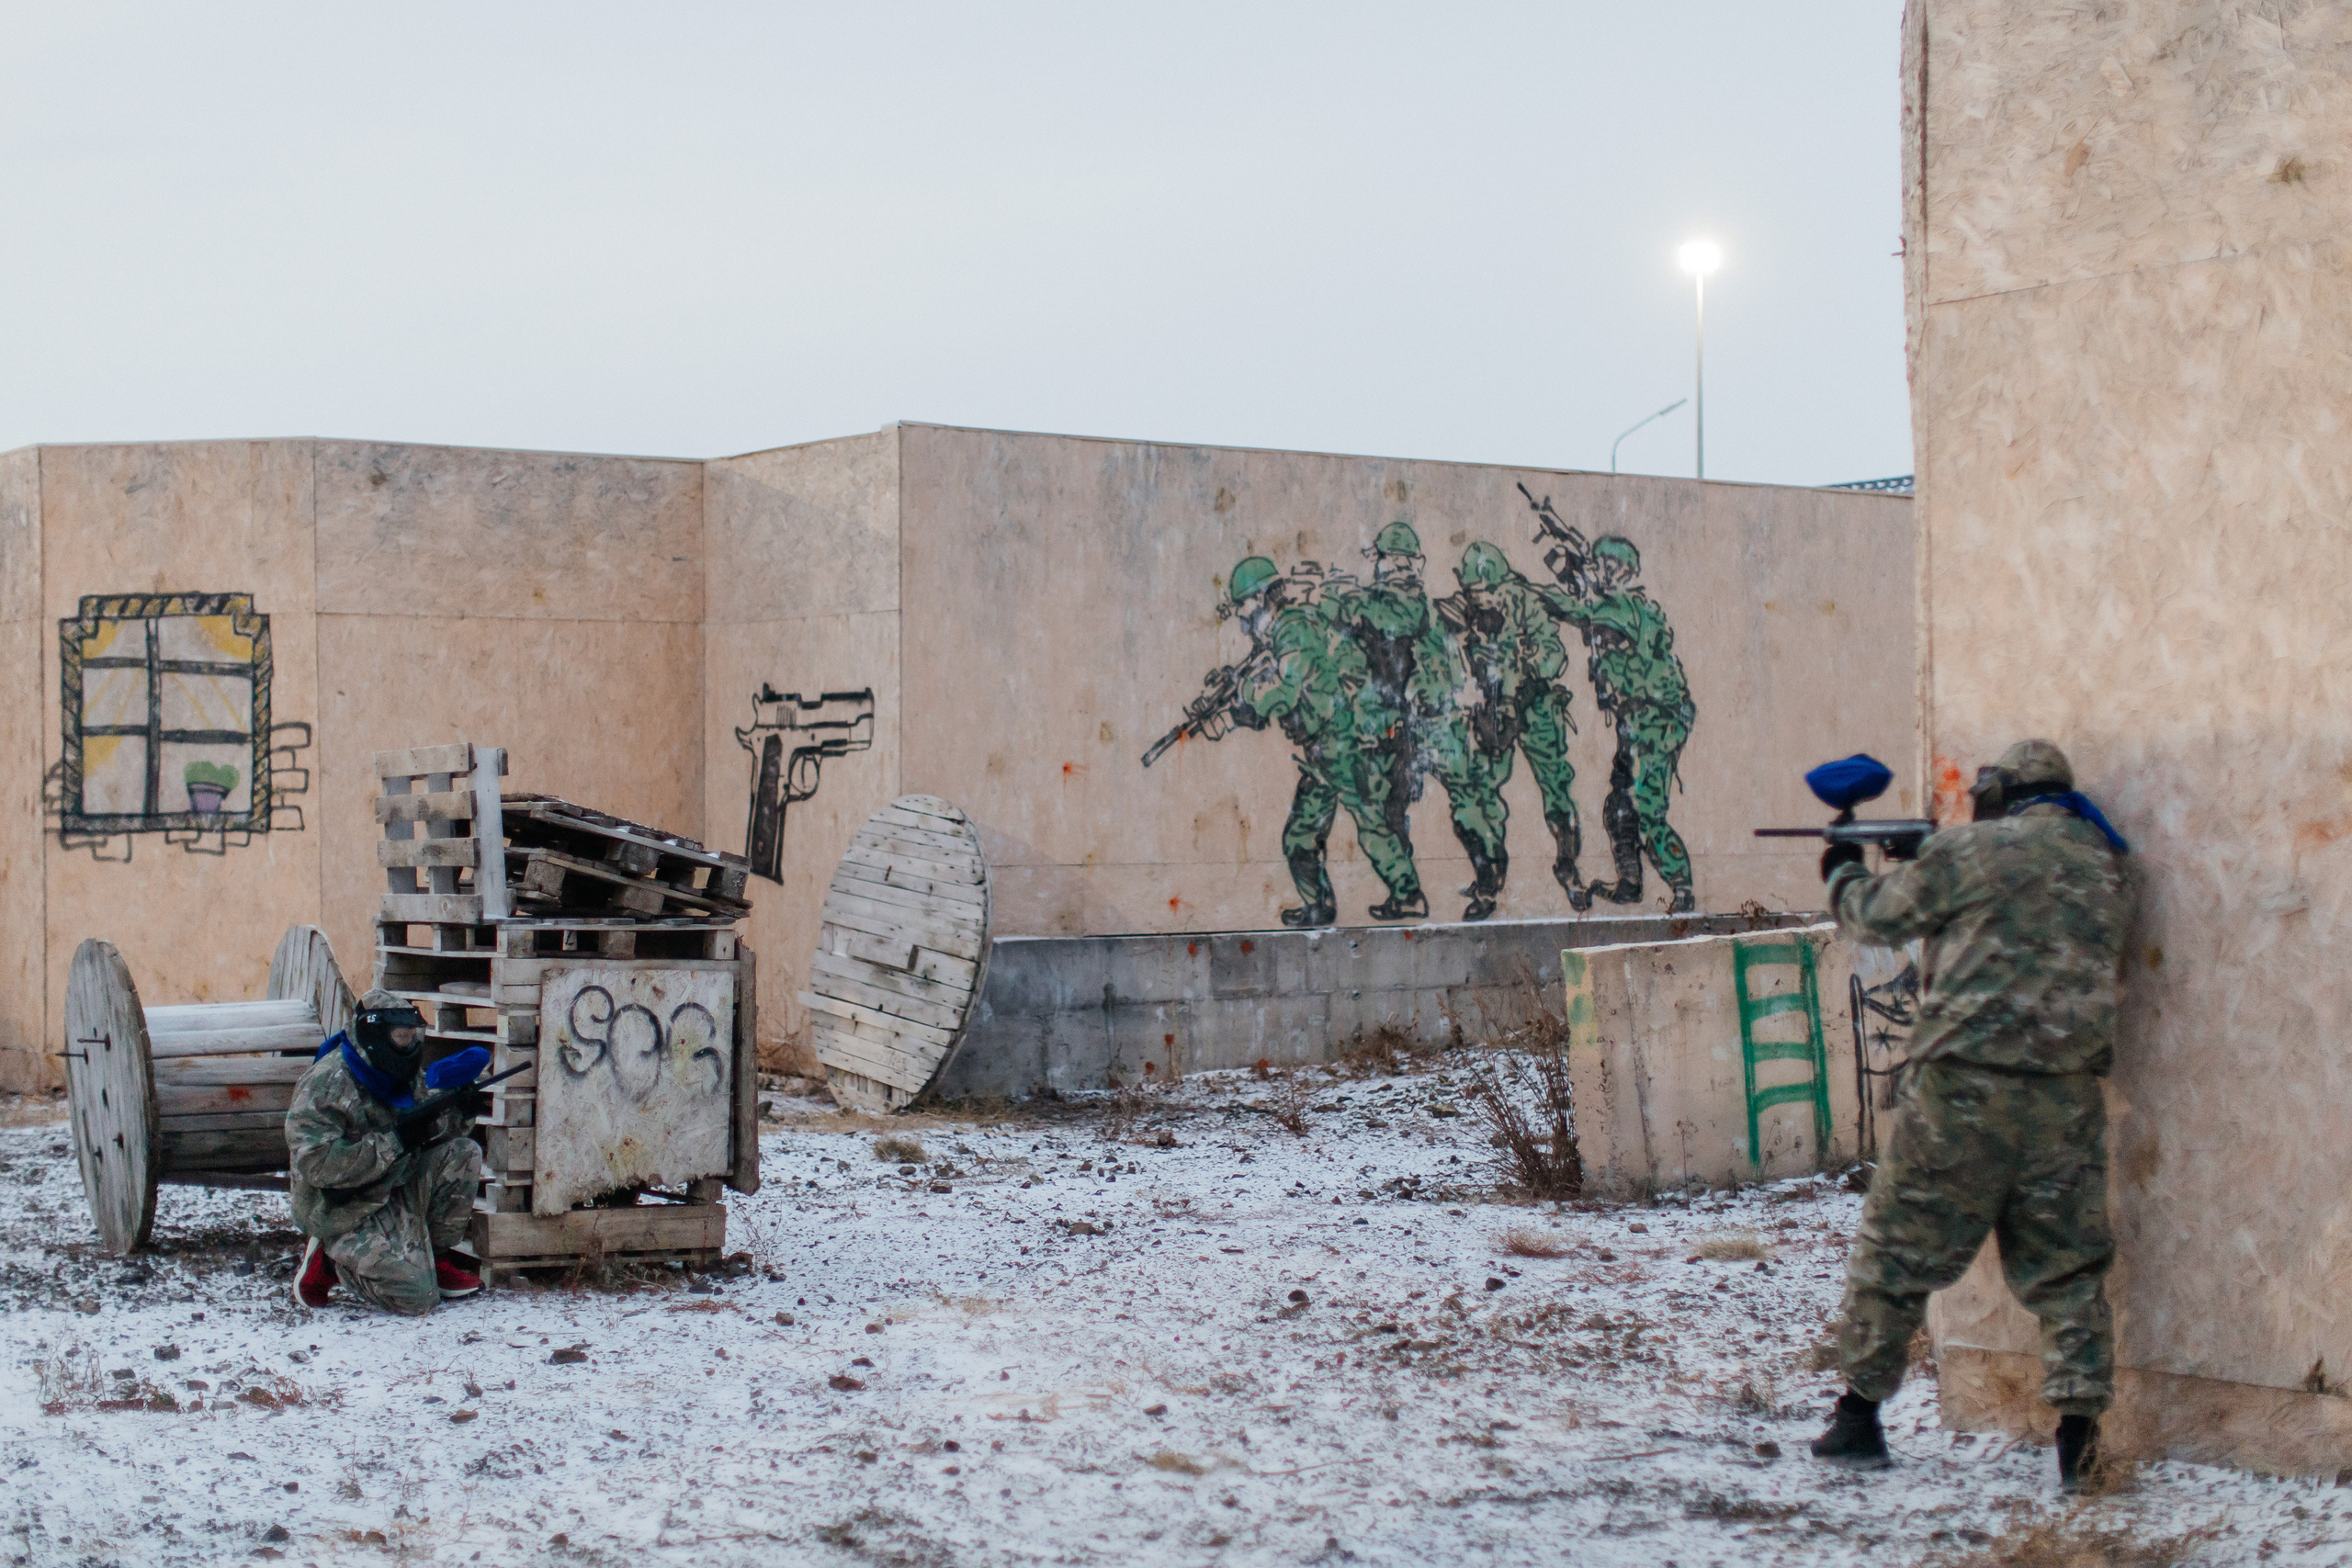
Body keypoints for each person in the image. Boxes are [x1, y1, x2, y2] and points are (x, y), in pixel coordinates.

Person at [1810, 739, 2134, 1490]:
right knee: (2071, 1274)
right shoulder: (2109, 864)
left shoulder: (1972, 853)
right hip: (2065, 1097)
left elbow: (1878, 918)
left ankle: (1857, 1418)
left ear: (2004, 793)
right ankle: (2080, 1444)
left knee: (1894, 1254)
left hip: (1961, 1096)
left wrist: (1847, 869)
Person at [1222, 556, 1421, 926]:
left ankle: (1406, 896)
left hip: (1341, 748)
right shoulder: (1297, 626)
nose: (1241, 616)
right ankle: (1323, 907)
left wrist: (1248, 694)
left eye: (1244, 605)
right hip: (1328, 751)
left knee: (1367, 828)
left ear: (1263, 597)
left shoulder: (1292, 631)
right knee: (1304, 835)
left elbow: (1287, 691)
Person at [1331, 521, 1508, 921]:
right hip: (1411, 725)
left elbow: (1409, 649)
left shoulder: (1393, 605)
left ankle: (1476, 881)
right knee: (1408, 808)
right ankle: (1465, 881)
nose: (1391, 566)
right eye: (1390, 560)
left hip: (1422, 723)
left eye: (1395, 560)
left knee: (1431, 806)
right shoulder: (1399, 604)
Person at [287, 989, 484, 1314]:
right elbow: (316, 1165)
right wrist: (395, 1141)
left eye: (412, 1036)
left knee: (463, 1153)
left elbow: (428, 1129)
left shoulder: (400, 1074)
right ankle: (329, 1261)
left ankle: (437, 1257)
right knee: (416, 1298)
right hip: (341, 1208)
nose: (408, 1045)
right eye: (400, 1036)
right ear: (374, 1033)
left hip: (392, 1185)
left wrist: (459, 1110)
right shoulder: (325, 1082)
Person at [1533, 535, 1697, 912]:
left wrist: (1539, 593)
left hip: (1658, 722)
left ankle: (1682, 888)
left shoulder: (1632, 609)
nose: (1605, 572)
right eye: (1600, 564)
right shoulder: (1609, 605)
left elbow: (1585, 614)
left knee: (1646, 810)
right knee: (1619, 808)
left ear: (1628, 573)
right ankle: (1630, 882)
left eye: (1613, 567)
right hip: (1634, 722)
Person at [1439, 540, 1588, 914]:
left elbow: (1554, 652)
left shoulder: (1525, 602)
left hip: (1535, 705)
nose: (1483, 599)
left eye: (1488, 591)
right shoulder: (1465, 612)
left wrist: (1525, 675)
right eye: (1475, 592)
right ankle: (1490, 876)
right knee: (1482, 788)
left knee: (1556, 785)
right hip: (1493, 708)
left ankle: (1568, 867)